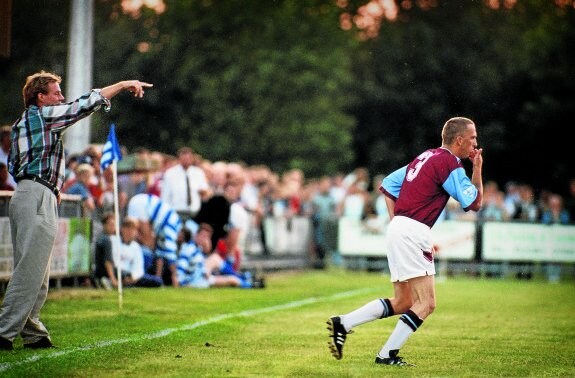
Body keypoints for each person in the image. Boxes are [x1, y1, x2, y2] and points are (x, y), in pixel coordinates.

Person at [0, 70, 152, 351]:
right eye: (56, 92)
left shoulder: (24, 122)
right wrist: (120, 85)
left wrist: (49, 187)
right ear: (40, 97)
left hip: (28, 193)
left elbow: (14, 165)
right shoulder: (42, 116)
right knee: (31, 271)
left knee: (37, 271)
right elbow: (82, 105)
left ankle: (33, 333)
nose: (61, 97)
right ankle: (3, 332)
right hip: (36, 194)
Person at [327, 117, 483, 366]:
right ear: (459, 140)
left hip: (400, 227)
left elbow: (388, 185)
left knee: (404, 302)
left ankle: (343, 323)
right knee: (427, 303)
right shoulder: (449, 163)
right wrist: (477, 169)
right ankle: (386, 355)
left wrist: (398, 224)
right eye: (473, 137)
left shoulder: (425, 157)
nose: (476, 142)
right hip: (413, 230)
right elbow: (474, 203)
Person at [126, 193, 182, 287]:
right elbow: (169, 252)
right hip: (142, 205)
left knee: (157, 251)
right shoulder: (172, 225)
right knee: (150, 249)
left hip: (140, 203)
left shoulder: (168, 226)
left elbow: (161, 252)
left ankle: (158, 279)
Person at [110, 216, 163, 288]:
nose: (130, 231)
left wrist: (133, 278)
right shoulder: (113, 241)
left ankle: (126, 284)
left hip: (131, 275)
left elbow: (138, 268)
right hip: (118, 271)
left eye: (133, 228)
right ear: (122, 229)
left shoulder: (136, 247)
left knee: (157, 281)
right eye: (127, 228)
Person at [161, 146, 210, 221]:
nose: (186, 160)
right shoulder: (170, 173)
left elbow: (204, 190)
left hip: (194, 211)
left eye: (188, 158)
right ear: (179, 158)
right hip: (177, 211)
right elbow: (165, 195)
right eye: (184, 158)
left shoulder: (198, 173)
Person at [93, 212, 117, 289]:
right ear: (104, 225)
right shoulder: (106, 240)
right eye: (110, 224)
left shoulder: (101, 238)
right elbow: (108, 261)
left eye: (114, 224)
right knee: (128, 275)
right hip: (104, 272)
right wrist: (113, 279)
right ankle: (109, 281)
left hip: (98, 272)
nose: (112, 227)